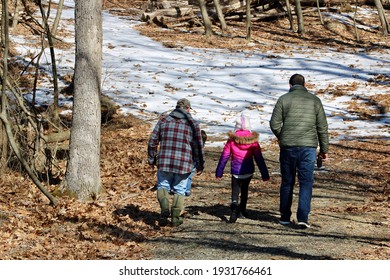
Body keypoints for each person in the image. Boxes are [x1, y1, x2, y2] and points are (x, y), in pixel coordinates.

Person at [270, 73, 329, 229]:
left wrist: (283, 136)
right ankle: (303, 218)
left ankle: (284, 217)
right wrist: (324, 149)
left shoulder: (283, 99)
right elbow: (322, 127)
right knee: (306, 183)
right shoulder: (315, 101)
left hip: (288, 147)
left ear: (290, 85)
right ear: (304, 85)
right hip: (308, 148)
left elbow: (274, 123)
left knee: (287, 182)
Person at [148, 98, 205, 226]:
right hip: (184, 163)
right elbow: (198, 147)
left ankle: (164, 210)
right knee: (180, 189)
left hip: (164, 161)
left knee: (163, 186)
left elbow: (153, 141)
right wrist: (200, 163)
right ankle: (175, 217)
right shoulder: (193, 124)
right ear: (188, 109)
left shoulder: (163, 120)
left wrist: (152, 158)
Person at [215, 112, 270, 223]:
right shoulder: (253, 141)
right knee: (244, 190)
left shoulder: (232, 140)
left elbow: (224, 156)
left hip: (235, 171)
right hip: (248, 170)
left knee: (235, 190)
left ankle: (234, 206)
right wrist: (265, 174)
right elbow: (259, 158)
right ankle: (243, 210)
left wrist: (219, 171)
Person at [185, 130, 207, 196]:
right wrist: (200, 164)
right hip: (193, 160)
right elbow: (200, 155)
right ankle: (187, 190)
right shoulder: (201, 144)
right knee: (189, 176)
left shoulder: (191, 141)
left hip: (187, 158)